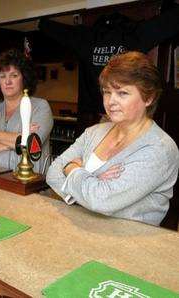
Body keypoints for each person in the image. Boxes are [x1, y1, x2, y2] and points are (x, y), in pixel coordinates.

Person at [46, 51, 179, 226]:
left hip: (130, 245)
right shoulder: (94, 132)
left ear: (149, 98)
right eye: (107, 92)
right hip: (80, 230)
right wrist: (92, 186)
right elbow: (53, 173)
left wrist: (72, 169)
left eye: (122, 93)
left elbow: (101, 200)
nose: (110, 101)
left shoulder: (160, 149)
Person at [0, 49, 53, 172]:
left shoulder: (40, 107)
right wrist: (19, 140)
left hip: (24, 182)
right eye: (3, 76)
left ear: (24, 78)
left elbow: (32, 144)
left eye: (14, 75)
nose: (7, 81)